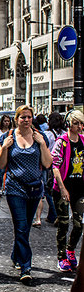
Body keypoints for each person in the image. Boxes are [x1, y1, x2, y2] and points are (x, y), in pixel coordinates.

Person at [0, 104, 52, 284]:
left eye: (29, 117)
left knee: (25, 227)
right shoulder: (8, 137)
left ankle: (16, 254)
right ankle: (26, 266)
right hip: (15, 188)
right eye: (23, 117)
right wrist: (4, 147)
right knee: (21, 226)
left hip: (35, 188)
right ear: (17, 119)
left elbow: (47, 163)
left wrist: (42, 144)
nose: (26, 120)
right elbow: (0, 164)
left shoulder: (40, 137)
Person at [51, 110, 84, 272]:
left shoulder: (83, 141)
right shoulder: (62, 141)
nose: (79, 126)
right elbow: (55, 166)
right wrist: (62, 188)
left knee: (79, 225)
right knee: (63, 223)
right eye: (76, 123)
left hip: (79, 189)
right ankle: (61, 256)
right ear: (68, 124)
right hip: (63, 189)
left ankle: (71, 250)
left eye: (81, 123)